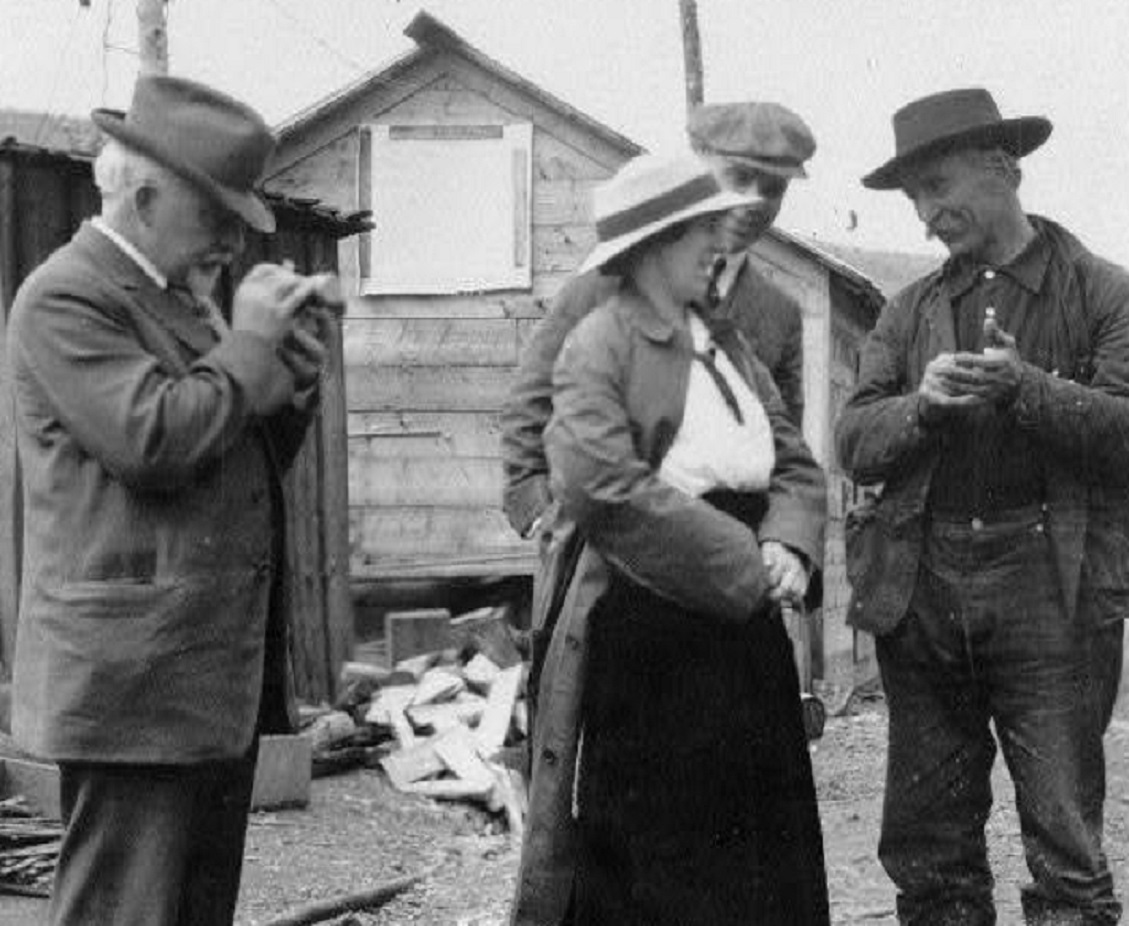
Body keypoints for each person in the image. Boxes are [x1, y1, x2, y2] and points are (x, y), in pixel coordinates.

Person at [7, 74, 340, 926]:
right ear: (145, 195)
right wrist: (246, 355)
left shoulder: (177, 301)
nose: (232, 239)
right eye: (217, 215)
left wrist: (289, 379)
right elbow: (153, 442)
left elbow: (229, 457)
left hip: (191, 680)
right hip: (132, 690)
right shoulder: (66, 295)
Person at [509, 152, 829, 926]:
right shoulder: (601, 340)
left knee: (760, 854)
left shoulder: (727, 345)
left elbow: (792, 461)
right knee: (668, 861)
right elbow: (597, 481)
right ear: (653, 246)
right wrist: (741, 563)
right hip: (652, 630)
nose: (715, 252)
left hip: (744, 640)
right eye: (699, 237)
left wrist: (788, 543)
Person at [836, 87, 1129, 925]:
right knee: (929, 855)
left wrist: (1025, 388)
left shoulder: (1103, 293)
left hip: (1053, 591)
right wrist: (920, 406)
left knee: (1066, 851)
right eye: (915, 198)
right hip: (921, 592)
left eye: (938, 186)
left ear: (1003, 169)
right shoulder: (908, 310)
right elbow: (852, 439)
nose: (926, 214)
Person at [500, 101, 815, 543]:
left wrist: (786, 542)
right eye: (739, 178)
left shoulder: (778, 312)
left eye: (773, 187)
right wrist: (540, 515)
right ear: (699, 173)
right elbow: (530, 401)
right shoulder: (610, 279)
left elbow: (787, 456)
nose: (754, 201)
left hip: (729, 559)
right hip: (613, 550)